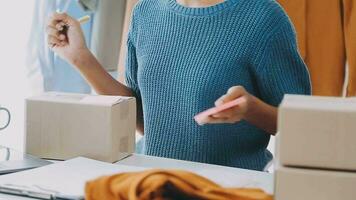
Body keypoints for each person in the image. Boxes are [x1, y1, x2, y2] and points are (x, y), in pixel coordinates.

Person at [46, 0, 311, 171]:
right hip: (153, 181)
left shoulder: (264, 18)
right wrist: (80, 58)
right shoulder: (146, 11)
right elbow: (143, 120)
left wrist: (251, 109)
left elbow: (304, 127)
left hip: (231, 189)